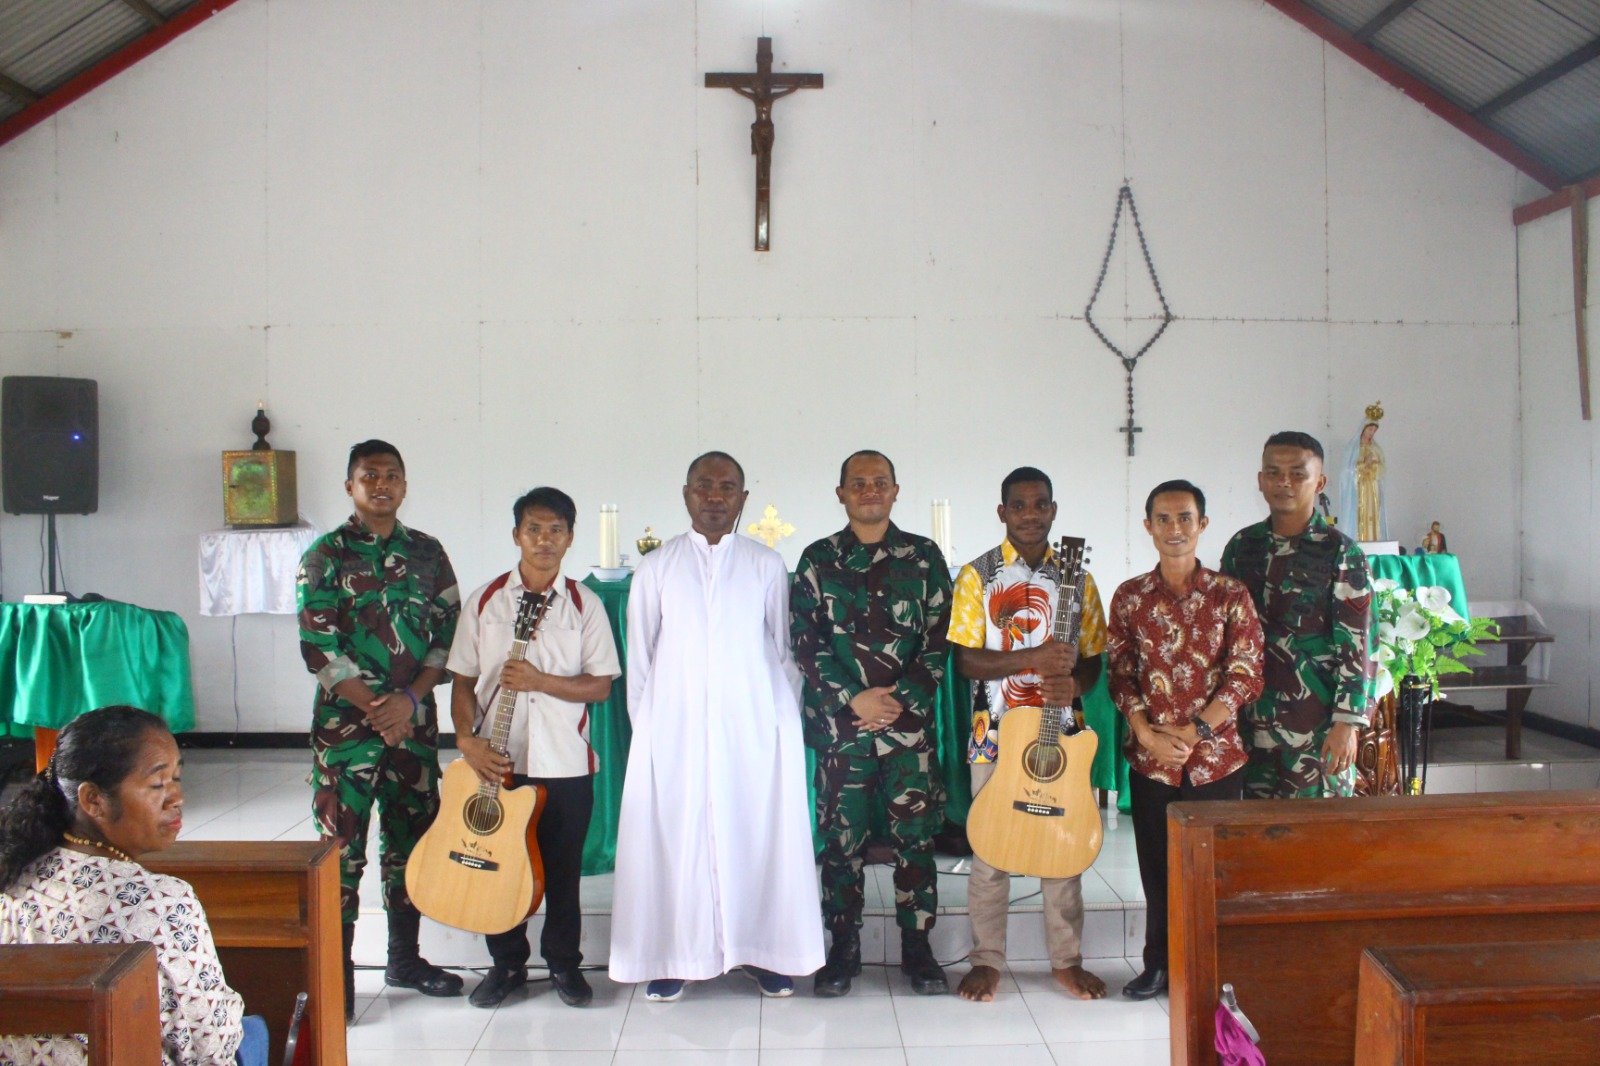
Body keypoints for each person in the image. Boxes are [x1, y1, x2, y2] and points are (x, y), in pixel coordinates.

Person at [609, 452, 823, 1001]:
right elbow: (641, 658)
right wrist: (650, 730)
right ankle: (672, 956)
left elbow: (785, 653)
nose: (714, 497)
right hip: (674, 730)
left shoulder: (765, 565)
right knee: (676, 841)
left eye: (727, 487)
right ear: (686, 494)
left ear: (743, 499)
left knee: (755, 835)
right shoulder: (657, 567)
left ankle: (764, 952)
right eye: (704, 486)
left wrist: (778, 724)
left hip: (752, 730)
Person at [0, 706, 268, 1066]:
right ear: (93, 800)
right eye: (157, 784)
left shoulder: (16, 873)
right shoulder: (162, 902)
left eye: (176, 778)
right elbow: (211, 1047)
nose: (176, 797)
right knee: (254, 1032)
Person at [297, 439, 462, 1017]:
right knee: (340, 851)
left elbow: (449, 636)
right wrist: (378, 708)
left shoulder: (428, 553)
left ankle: (405, 959)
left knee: (411, 842)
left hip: (413, 727)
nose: (382, 484)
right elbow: (318, 645)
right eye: (370, 475)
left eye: (392, 475)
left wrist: (409, 701)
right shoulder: (325, 555)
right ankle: (336, 975)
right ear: (351, 486)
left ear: (405, 484)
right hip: (347, 733)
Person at [447, 487, 620, 1009]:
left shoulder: (585, 604)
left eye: (555, 530)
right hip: (498, 762)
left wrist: (541, 681)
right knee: (497, 866)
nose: (544, 540)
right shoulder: (486, 601)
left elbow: (600, 686)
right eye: (534, 529)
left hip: (566, 763)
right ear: (516, 535)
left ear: (570, 538)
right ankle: (506, 965)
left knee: (563, 871)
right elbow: (462, 681)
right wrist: (466, 741)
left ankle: (564, 964)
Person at [791, 450, 954, 998]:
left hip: (907, 731)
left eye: (879, 481)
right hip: (844, 732)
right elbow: (805, 642)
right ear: (840, 493)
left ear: (895, 490)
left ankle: (918, 947)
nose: (869, 490)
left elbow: (941, 637)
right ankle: (843, 947)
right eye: (857, 483)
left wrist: (899, 700)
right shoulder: (818, 559)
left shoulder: (924, 556)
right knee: (842, 843)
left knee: (916, 840)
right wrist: (854, 699)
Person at [946, 466, 1107, 1003]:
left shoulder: (1078, 580)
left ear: (1053, 510)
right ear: (1002, 512)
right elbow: (966, 661)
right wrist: (1032, 658)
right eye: (1019, 505)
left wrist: (1074, 683)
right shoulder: (978, 575)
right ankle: (986, 960)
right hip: (994, 730)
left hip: (1062, 734)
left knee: (1064, 845)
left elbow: (1093, 661)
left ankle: (1067, 960)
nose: (1030, 515)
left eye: (1040, 505)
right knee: (990, 850)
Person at [1108, 480, 1264, 1000]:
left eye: (1185, 518)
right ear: (1148, 525)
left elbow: (1245, 674)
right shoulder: (1130, 597)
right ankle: (1158, 965)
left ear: (1202, 525)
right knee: (1157, 869)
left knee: (1212, 872)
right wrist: (1143, 732)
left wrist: (1198, 731)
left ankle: (1210, 972)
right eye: (1164, 519)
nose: (1174, 529)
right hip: (1151, 760)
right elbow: (1119, 674)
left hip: (1215, 759)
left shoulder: (1230, 595)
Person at [1221, 431, 1374, 799]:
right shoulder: (1242, 547)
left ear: (1319, 482)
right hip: (1251, 726)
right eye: (1273, 473)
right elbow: (1224, 634)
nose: (1284, 482)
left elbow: (1359, 644)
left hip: (1316, 731)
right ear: (1260, 480)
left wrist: (1347, 723)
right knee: (1255, 828)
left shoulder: (1340, 552)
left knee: (1316, 829)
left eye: (1297, 474)